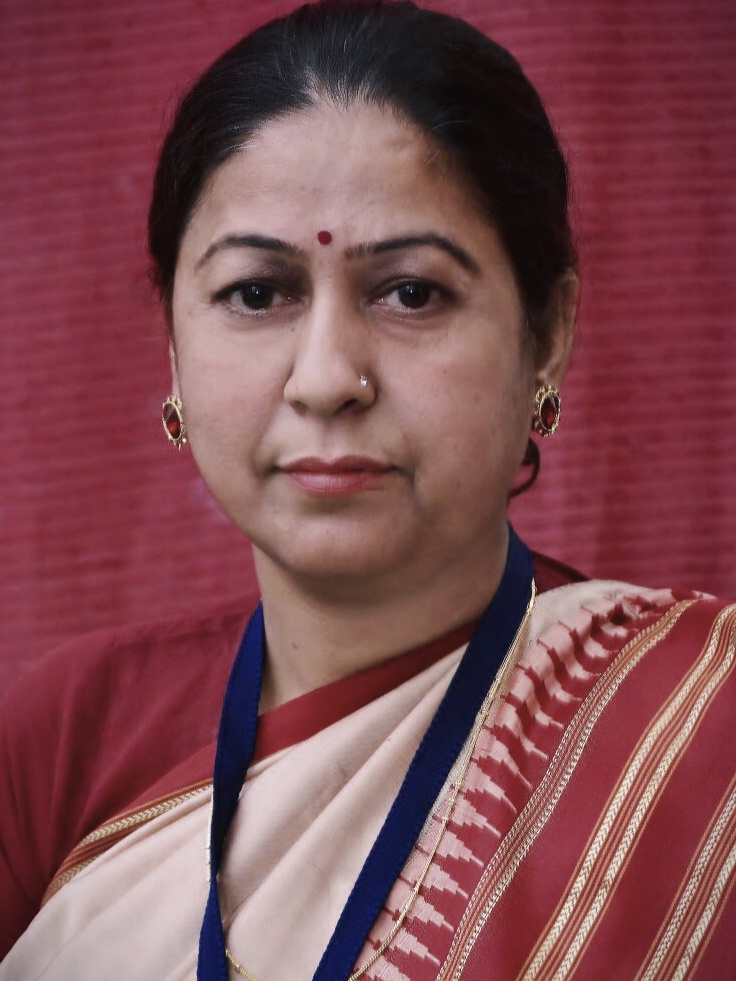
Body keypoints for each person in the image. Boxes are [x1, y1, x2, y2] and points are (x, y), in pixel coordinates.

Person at [1, 1, 734, 978]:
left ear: (547, 335)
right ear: (173, 345)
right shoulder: (70, 737)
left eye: (411, 292)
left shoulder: (701, 736)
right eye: (256, 293)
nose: (325, 379)